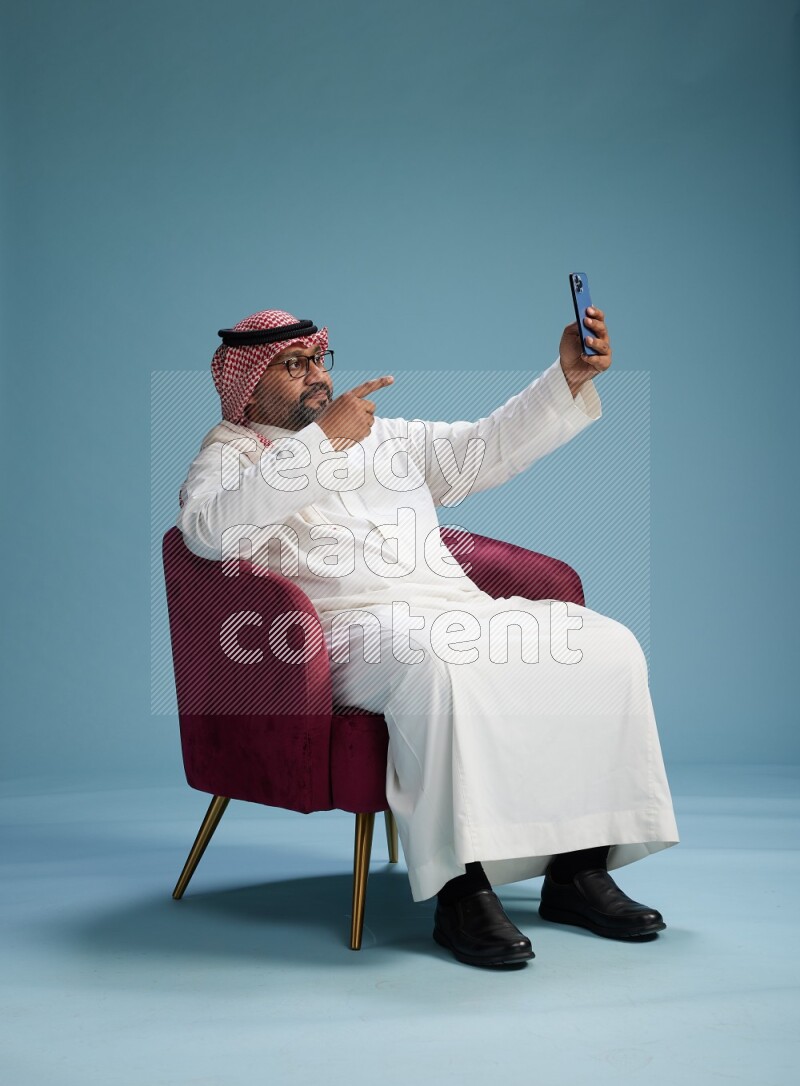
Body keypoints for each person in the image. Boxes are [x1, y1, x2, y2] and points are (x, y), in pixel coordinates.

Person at [176, 307, 680, 969]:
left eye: (318, 360)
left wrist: (565, 377)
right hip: (343, 633)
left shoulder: (382, 437)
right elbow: (207, 532)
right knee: (438, 665)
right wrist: (320, 444)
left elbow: (482, 448)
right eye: (292, 367)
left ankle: (579, 871)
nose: (316, 377)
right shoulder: (230, 455)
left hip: (451, 606)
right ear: (245, 386)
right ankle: (460, 890)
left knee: (603, 647)